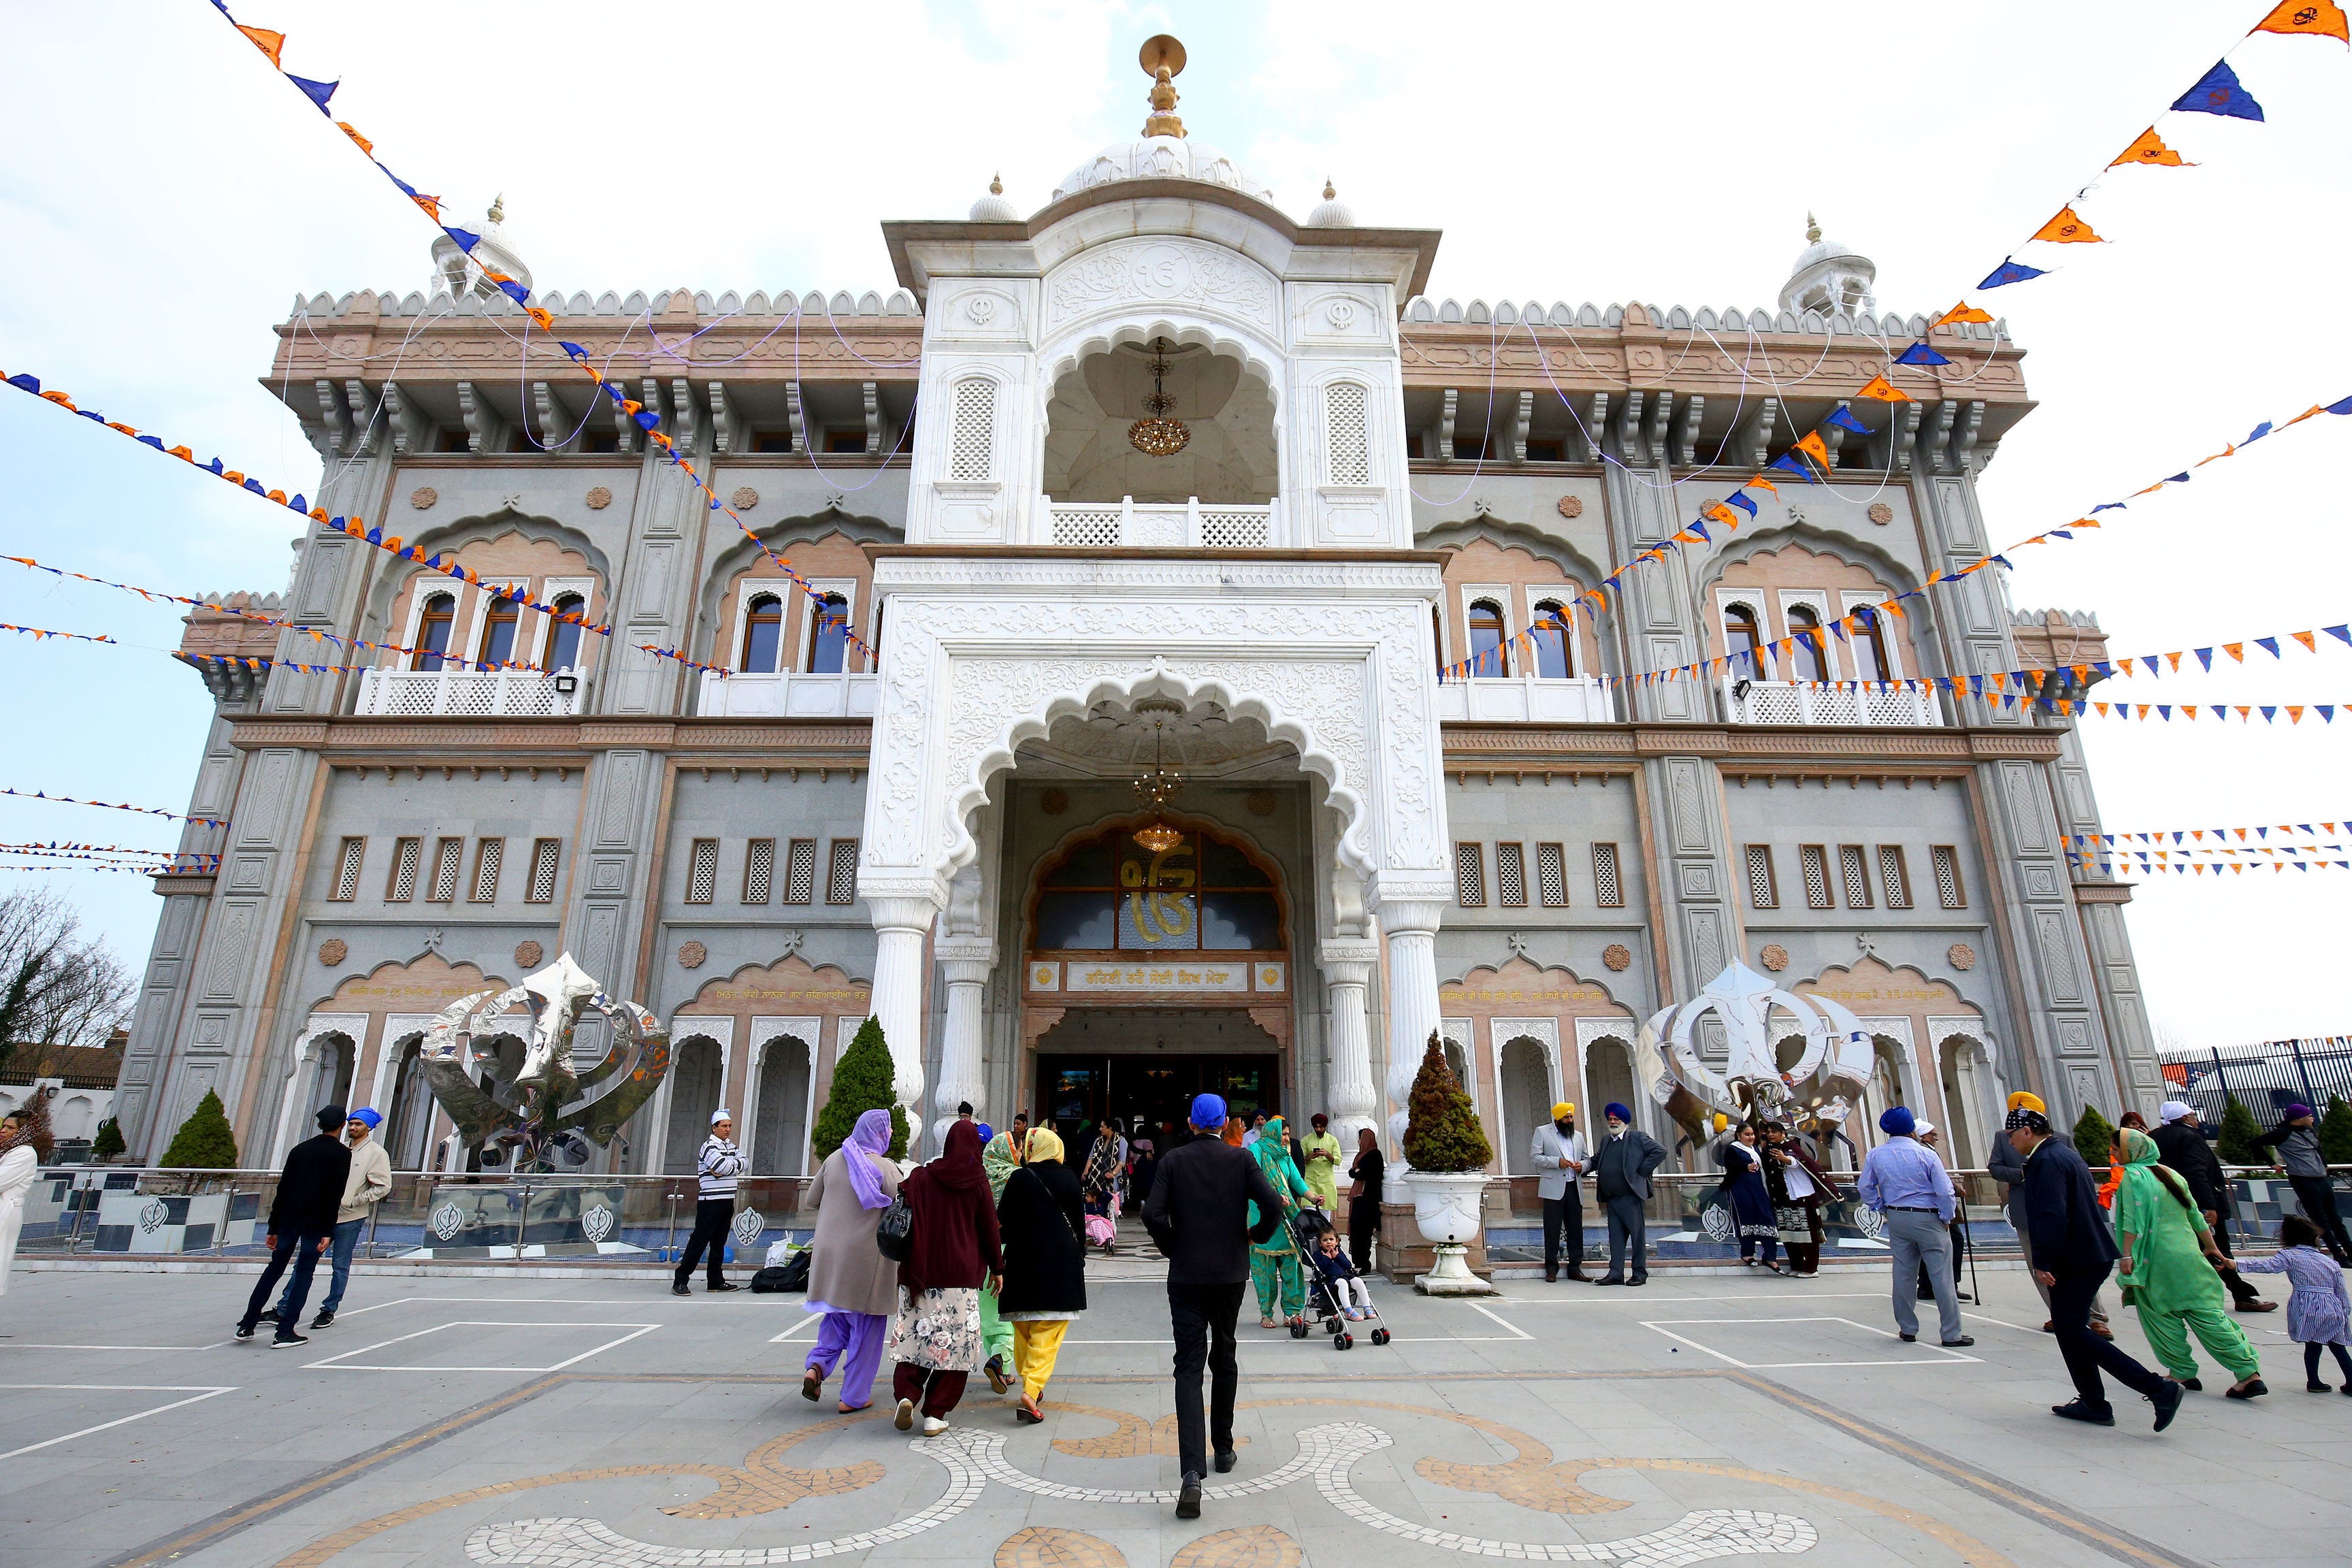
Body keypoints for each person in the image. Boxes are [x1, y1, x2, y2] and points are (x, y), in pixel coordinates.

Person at [1141, 1092, 1283, 1521]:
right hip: (1228, 1274)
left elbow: (1151, 1213)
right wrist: (1254, 1236)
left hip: (1186, 1275)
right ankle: (1223, 1447)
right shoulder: (1240, 1160)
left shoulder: (1173, 1161)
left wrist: (1172, 1246)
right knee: (1225, 1354)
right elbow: (1275, 1204)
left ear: (1191, 1121)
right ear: (1224, 1123)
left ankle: (1191, 1473)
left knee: (1188, 1366)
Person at [2012, 1103, 2183, 1431]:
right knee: (2069, 1329)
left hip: (2076, 1258)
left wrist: (2043, 1260)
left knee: (2073, 1330)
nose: (2010, 1142)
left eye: (2012, 1135)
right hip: (2087, 1253)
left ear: (2026, 1132)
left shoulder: (2046, 1161)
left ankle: (2158, 1388)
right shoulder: (2061, 1154)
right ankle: (2093, 1402)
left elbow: (2052, 1214)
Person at [2110, 1126, 2265, 1399]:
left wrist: (2126, 1255)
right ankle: (2248, 1373)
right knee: (2208, 1315)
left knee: (2160, 1315)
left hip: (2156, 1259)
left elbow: (2131, 1222)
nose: (2111, 1152)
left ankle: (2182, 1370)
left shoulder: (2133, 1178)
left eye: (2116, 1148)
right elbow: (2195, 1214)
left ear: (2131, 1151)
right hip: (2188, 1254)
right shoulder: (2171, 1174)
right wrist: (2211, 1246)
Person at [888, 1119, 1001, 1436]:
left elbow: (903, 1199)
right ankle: (936, 1414)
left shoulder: (922, 1177)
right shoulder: (978, 1181)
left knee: (919, 1337)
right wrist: (999, 1267)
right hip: (961, 1276)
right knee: (957, 1347)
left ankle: (908, 1395)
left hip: (919, 1272)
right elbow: (990, 1229)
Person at [1987, 1091, 2114, 1339]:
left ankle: (2095, 1317)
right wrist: (2022, 1175)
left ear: (2028, 1129)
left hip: (2056, 1214)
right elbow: (1995, 1168)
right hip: (2025, 1208)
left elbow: (2066, 1189)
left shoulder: (2059, 1143)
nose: (2013, 1142)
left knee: (2066, 1264)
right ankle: (2060, 1312)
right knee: (2039, 1266)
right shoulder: (2005, 1138)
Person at [800, 1108, 901, 1413]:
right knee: (867, 1325)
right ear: (879, 1134)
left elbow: (811, 1200)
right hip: (866, 1258)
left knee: (836, 1316)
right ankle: (854, 1396)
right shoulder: (884, 1167)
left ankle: (816, 1366)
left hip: (830, 1256)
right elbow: (906, 1203)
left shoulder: (834, 1158)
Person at [237, 1105, 353, 1347]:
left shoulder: (299, 1150)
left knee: (274, 1268)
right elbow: (334, 1194)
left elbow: (283, 1189)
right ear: (342, 1126)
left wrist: (273, 1226)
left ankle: (248, 1324)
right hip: (315, 1221)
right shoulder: (341, 1154)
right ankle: (285, 1331)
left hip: (289, 1218)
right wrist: (327, 1231)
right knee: (303, 1273)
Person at [1858, 1107, 1971, 1348]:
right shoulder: (1926, 1155)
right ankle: (1951, 1333)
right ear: (1912, 1129)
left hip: (1898, 1216)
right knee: (1942, 1276)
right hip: (1928, 1217)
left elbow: (1865, 1187)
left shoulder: (1876, 1155)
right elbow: (1945, 1190)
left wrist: (1882, 1207)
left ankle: (1907, 1328)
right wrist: (1947, 1216)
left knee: (1903, 1273)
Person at [997, 1126, 1087, 1422]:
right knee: (1049, 1332)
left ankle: (1029, 1382)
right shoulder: (1069, 1177)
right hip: (1059, 1267)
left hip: (1022, 1265)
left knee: (1024, 1327)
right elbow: (1078, 1225)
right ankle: (1032, 1388)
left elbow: (1004, 1223)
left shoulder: (1019, 1177)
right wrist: (1080, 1257)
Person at [273, 1108, 392, 1331]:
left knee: (340, 1265)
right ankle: (284, 1307)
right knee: (304, 1262)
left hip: (350, 1217)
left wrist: (354, 1201)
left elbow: (383, 1186)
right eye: (351, 1123)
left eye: (358, 1124)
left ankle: (329, 1309)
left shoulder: (375, 1153)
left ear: (369, 1127)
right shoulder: (339, 1149)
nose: (353, 1128)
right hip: (323, 1217)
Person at [2151, 1100, 2275, 1313]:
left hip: (2167, 1203)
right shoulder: (2189, 1137)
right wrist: (2209, 1205)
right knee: (2217, 1248)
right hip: (2196, 1204)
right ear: (2185, 1118)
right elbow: (2197, 1172)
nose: (2196, 1119)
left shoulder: (2154, 1136)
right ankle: (2242, 1295)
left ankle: (2176, 1296)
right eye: (2193, 1115)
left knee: (2181, 1250)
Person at [2233, 1214, 2352, 1394]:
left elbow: (2267, 1266)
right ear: (2314, 1238)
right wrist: (2344, 1311)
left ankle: (2314, 1381)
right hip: (2332, 1305)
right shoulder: (2329, 1261)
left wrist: (2236, 1264)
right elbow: (2341, 1290)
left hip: (2307, 1305)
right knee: (2337, 1345)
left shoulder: (2289, 1255)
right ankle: (2350, 1382)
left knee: (2312, 1344)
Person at [2261, 1105, 2352, 1264]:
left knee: (2336, 1218)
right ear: (2299, 1118)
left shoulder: (2309, 1131)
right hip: (2303, 1179)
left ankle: (2349, 1250)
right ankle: (2337, 1253)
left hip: (2321, 1178)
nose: (2312, 1118)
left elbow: (2318, 1149)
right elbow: (2255, 1143)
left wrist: (2324, 1165)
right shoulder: (2283, 1133)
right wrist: (2272, 1163)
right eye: (2309, 1116)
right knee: (2320, 1219)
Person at [1247, 1114, 1314, 1328]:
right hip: (1263, 1218)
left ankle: (1292, 1313)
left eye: (1288, 1134)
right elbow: (1253, 1179)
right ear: (1274, 1133)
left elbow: (1296, 1179)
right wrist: (1274, 1198)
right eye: (1284, 1134)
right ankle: (1266, 1313)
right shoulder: (1255, 1151)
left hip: (1287, 1219)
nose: (1287, 1138)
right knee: (1265, 1273)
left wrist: (1312, 1197)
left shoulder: (1284, 1155)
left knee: (1292, 1268)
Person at [1590, 1103, 1665, 1286]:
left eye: (1616, 1119)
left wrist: (1642, 1170)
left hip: (1630, 1197)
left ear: (1624, 1121)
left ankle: (1639, 1273)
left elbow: (1660, 1151)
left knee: (1637, 1236)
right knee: (1615, 1237)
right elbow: (1597, 1160)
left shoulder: (1638, 1138)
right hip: (1612, 1198)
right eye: (1610, 1119)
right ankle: (1615, 1273)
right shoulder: (1607, 1140)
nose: (1613, 1122)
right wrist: (1581, 1167)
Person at [672, 1109, 745, 1296]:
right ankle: (681, 1280)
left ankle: (715, 1280)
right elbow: (723, 1166)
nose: (728, 1129)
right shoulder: (708, 1147)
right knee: (699, 1241)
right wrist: (730, 1166)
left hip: (727, 1200)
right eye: (724, 1126)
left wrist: (730, 1167)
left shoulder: (731, 1146)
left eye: (729, 1126)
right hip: (710, 1201)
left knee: (719, 1243)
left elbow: (744, 1162)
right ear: (714, 1128)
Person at [977, 1124, 1021, 1394]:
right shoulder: (1017, 1176)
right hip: (1009, 1249)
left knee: (988, 1307)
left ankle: (997, 1361)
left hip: (981, 1250)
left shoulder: (979, 1177)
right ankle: (1002, 1361)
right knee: (1009, 1308)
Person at [1762, 1120, 1837, 1278]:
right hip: (1783, 1198)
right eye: (1768, 1132)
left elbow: (1799, 1161)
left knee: (1807, 1233)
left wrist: (1786, 1159)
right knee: (1789, 1233)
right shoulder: (1770, 1149)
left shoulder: (1791, 1146)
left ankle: (1811, 1268)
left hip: (1801, 1196)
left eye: (1773, 1132)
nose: (1770, 1135)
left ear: (1783, 1133)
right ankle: (1796, 1265)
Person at [1912, 1121, 1971, 1305]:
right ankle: (1949, 1284)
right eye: (1932, 1135)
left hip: (1927, 1204)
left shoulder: (1921, 1150)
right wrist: (1954, 1189)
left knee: (1927, 1245)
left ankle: (1926, 1286)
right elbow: (1939, 1178)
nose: (1935, 1138)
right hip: (1937, 1203)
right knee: (1954, 1241)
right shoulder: (1926, 1152)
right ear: (1923, 1136)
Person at [1529, 1102, 1589, 1283]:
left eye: (1571, 1117)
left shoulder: (1577, 1136)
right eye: (1566, 1117)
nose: (1570, 1120)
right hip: (1553, 1189)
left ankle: (1575, 1267)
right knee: (1552, 1229)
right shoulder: (1542, 1132)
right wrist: (1557, 1162)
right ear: (1558, 1118)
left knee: (1575, 1229)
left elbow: (1587, 1158)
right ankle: (1551, 1268)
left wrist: (1582, 1166)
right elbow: (1535, 1158)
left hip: (1574, 1187)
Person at [0, 1102, 52, 1297]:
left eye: (11, 1128)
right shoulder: (8, 1151)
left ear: (25, 1131)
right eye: (4, 1126)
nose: (4, 1131)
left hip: (5, 1211)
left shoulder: (24, 1154)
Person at [1719, 1121, 1778, 1271]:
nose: (1751, 1137)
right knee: (1746, 1220)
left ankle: (1770, 1257)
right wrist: (1745, 1167)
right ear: (1739, 1136)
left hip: (1759, 1189)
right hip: (1741, 1191)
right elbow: (1730, 1167)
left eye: (1752, 1134)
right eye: (1747, 1134)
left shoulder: (1756, 1150)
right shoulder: (1733, 1150)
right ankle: (1747, 1253)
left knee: (1767, 1219)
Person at [1345, 1126, 1385, 1275]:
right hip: (1359, 1199)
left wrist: (1357, 1172)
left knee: (1363, 1233)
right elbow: (1352, 1172)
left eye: (1361, 1138)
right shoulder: (1361, 1155)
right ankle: (1358, 1263)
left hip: (1368, 1200)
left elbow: (1363, 1174)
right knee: (1356, 1232)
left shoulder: (1374, 1155)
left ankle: (1363, 1263)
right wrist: (1356, 1172)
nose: (1359, 1141)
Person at [1309, 1226, 1373, 1318]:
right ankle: (1348, 1310)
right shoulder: (1318, 1254)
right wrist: (1327, 1258)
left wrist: (1337, 1256)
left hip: (1345, 1276)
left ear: (1337, 1241)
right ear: (1320, 1243)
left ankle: (1367, 1308)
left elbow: (1348, 1266)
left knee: (1358, 1281)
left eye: (1331, 1239)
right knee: (1342, 1283)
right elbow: (1318, 1269)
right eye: (1325, 1240)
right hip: (1329, 1280)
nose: (1329, 1242)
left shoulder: (1338, 1252)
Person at [1080, 1121, 1123, 1256]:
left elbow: (1122, 1161)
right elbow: (1091, 1156)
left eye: (1103, 1127)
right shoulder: (1098, 1140)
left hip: (1110, 1181)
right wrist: (1086, 1170)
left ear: (1110, 1128)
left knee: (1109, 1208)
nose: (1100, 1129)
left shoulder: (1121, 1141)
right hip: (1095, 1178)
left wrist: (1113, 1173)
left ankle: (1110, 1237)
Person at [1298, 1114, 1344, 1214]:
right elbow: (1300, 1161)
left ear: (1325, 1126)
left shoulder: (1333, 1140)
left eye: (1321, 1127)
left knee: (1325, 1218)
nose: (1318, 1129)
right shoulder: (1306, 1140)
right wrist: (1309, 1157)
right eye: (1316, 1127)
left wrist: (1327, 1155)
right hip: (1310, 1181)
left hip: (1327, 1182)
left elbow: (1338, 1160)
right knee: (1310, 1214)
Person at [1128, 1137, 1160, 1214]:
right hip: (1150, 1179)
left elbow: (1131, 1155)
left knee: (1139, 1188)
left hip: (1137, 1169)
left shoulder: (1135, 1143)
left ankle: (1140, 1204)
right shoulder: (1154, 1159)